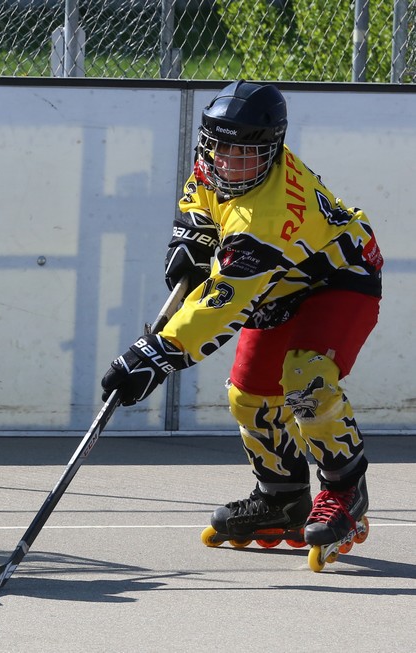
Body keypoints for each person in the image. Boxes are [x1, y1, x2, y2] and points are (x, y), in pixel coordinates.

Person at [100, 80, 381, 554]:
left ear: (273, 151)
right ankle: (282, 498)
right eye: (221, 148)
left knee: (306, 381)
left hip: (337, 277)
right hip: (278, 281)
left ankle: (345, 488)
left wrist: (159, 352)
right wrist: (191, 236)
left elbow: (224, 305)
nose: (229, 163)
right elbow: (199, 198)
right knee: (249, 395)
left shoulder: (267, 217)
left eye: (246, 154)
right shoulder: (215, 164)